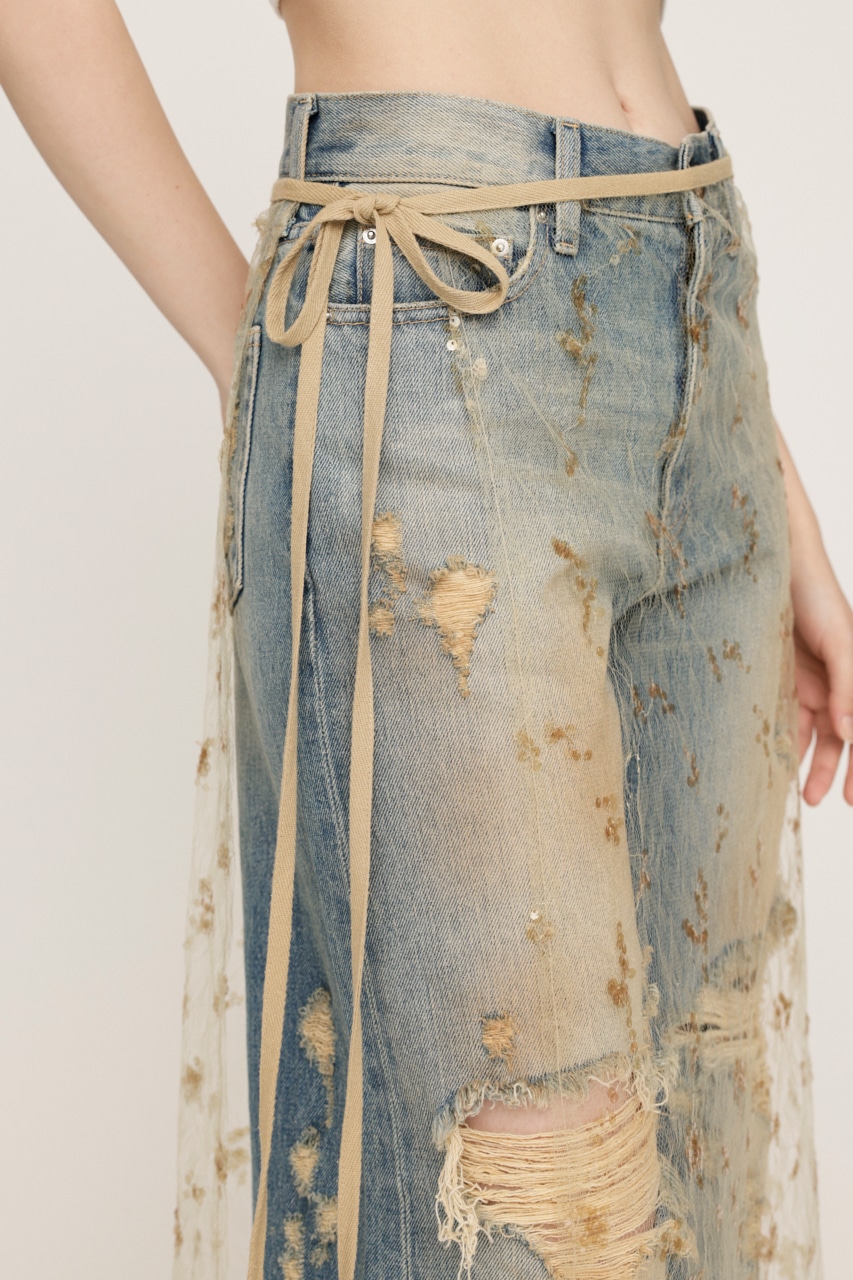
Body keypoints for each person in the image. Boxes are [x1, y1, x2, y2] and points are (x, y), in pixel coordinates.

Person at [2, 2, 849, 1278]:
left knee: (700, 1160)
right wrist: (261, 342)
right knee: (534, 1213)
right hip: (429, 297)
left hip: (696, 308)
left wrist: (770, 490)